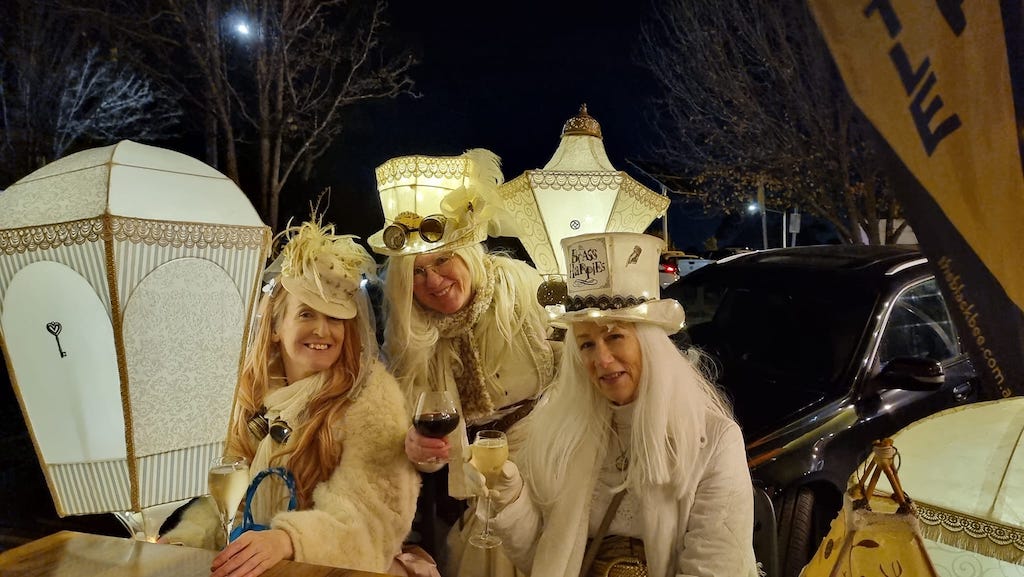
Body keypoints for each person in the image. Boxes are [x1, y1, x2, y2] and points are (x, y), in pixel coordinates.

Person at [465, 232, 759, 577]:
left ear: (649, 342)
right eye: (586, 344)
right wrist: (512, 498)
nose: (601, 359)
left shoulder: (714, 440)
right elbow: (544, 561)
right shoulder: (567, 432)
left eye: (615, 336)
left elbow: (714, 567)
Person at [161, 220, 423, 577]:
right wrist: (187, 540)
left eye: (335, 319)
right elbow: (226, 503)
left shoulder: (373, 397)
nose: (322, 330)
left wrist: (289, 540)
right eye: (306, 314)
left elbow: (373, 520)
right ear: (274, 327)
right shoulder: (250, 394)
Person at [368, 149, 558, 575]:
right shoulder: (411, 334)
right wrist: (419, 450)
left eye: (441, 259)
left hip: (548, 462)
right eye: (416, 272)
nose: (433, 281)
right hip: (472, 484)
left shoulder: (524, 289)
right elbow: (421, 435)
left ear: (467, 252)